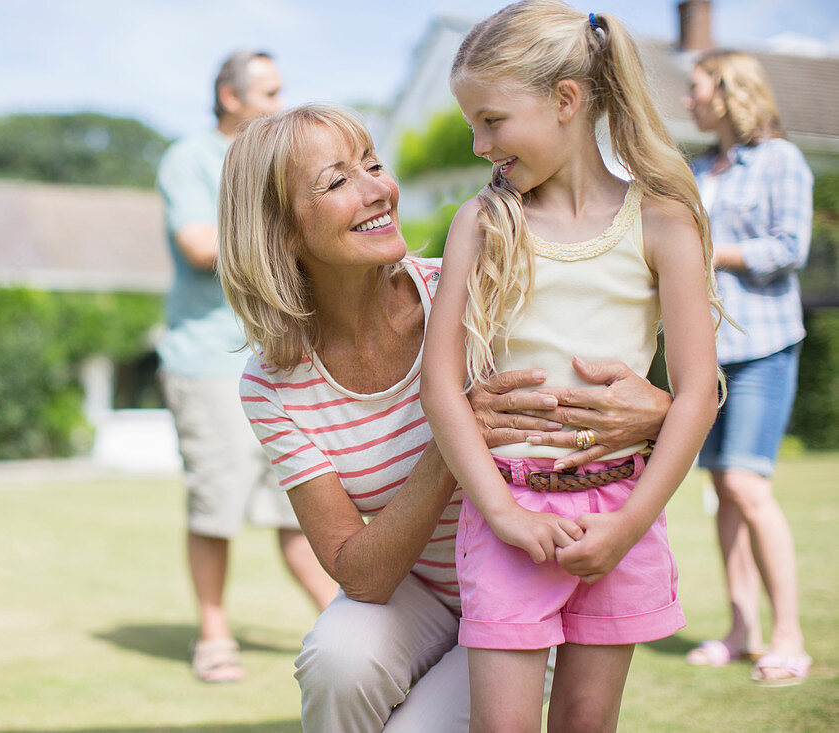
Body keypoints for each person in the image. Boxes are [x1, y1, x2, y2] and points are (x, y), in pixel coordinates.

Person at [218, 102, 672, 731]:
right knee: (337, 661)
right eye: (338, 180)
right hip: (420, 593)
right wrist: (456, 433)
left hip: (526, 586)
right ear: (280, 232)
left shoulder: (474, 286)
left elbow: (603, 388)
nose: (379, 190)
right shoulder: (273, 386)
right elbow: (362, 574)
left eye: (373, 164)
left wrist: (659, 410)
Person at [419, 2, 726, 730]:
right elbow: (442, 386)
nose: (477, 143)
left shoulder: (663, 222)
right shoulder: (482, 223)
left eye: (492, 120)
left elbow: (696, 394)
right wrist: (501, 512)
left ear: (565, 100)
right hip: (510, 521)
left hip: (622, 514)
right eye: (472, 124)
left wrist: (630, 525)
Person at [155, 49, 338, 683]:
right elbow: (201, 245)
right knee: (217, 505)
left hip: (282, 354)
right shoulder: (190, 159)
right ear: (231, 98)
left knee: (300, 503)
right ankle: (213, 636)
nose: (281, 105)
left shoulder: (276, 164)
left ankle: (346, 624)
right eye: (269, 93)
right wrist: (289, 231)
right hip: (208, 361)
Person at [682, 49, 813, 686]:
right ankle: (741, 630)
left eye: (697, 88)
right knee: (722, 493)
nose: (689, 100)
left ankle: (789, 636)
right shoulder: (701, 167)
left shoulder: (781, 160)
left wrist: (706, 249)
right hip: (708, 355)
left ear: (730, 91)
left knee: (745, 484)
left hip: (764, 344)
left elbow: (789, 248)